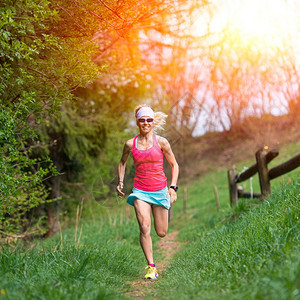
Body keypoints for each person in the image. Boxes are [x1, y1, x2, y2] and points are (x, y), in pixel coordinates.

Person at [116, 104, 179, 280]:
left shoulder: (162, 142)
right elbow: (122, 162)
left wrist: (173, 188)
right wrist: (120, 182)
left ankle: (165, 203)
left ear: (153, 122)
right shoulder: (130, 144)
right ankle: (151, 267)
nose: (146, 123)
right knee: (144, 227)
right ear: (138, 122)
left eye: (149, 120)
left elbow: (174, 165)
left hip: (160, 191)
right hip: (140, 192)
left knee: (161, 232)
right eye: (142, 120)